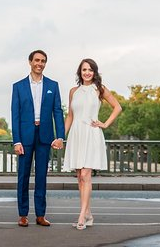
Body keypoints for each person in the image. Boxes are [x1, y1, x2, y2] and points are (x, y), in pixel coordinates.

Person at [63, 58, 122, 230]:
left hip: (91, 133)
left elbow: (117, 107)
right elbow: (70, 116)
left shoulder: (100, 89)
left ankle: (82, 215)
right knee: (79, 177)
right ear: (79, 72)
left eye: (90, 70)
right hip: (76, 134)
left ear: (94, 72)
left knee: (86, 175)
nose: (87, 72)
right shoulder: (73, 91)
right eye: (84, 70)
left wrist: (105, 123)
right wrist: (60, 136)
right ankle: (88, 213)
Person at [11, 50, 65, 227]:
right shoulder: (18, 86)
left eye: (43, 61)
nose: (39, 63)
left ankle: (41, 215)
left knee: (42, 176)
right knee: (23, 176)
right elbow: (15, 115)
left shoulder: (53, 85)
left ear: (45, 64)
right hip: (25, 137)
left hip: (45, 136)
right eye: (36, 60)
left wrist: (60, 136)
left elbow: (58, 111)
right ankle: (23, 214)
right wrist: (16, 141)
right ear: (30, 62)